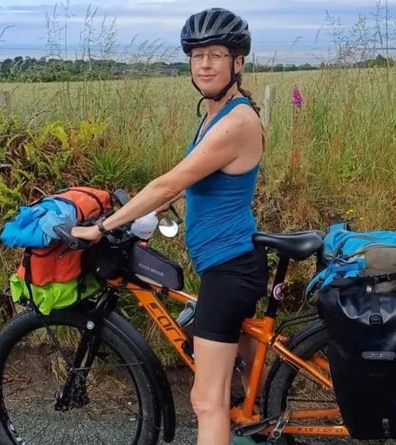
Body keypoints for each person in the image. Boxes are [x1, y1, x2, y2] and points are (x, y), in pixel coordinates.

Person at [71, 7, 269, 445]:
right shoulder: (217, 113)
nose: (205, 65)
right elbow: (193, 181)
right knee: (227, 360)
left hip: (229, 268)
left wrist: (104, 227)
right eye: (197, 56)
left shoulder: (236, 121)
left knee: (206, 400)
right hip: (229, 261)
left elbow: (171, 182)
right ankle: (260, 419)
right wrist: (144, 212)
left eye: (216, 55)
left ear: (238, 62)